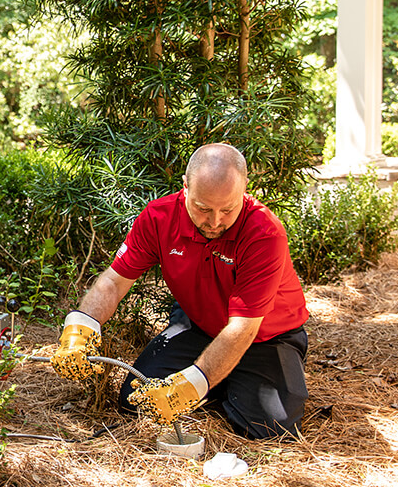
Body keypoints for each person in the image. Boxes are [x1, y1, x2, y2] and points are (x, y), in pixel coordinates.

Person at [51, 143, 310, 439]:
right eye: (203, 208)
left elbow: (242, 329)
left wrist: (192, 385)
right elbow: (113, 281)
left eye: (227, 210)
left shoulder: (264, 233)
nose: (215, 222)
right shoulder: (159, 217)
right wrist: (81, 326)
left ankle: (230, 379)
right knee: (136, 399)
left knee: (272, 430)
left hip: (265, 337)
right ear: (185, 187)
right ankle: (223, 380)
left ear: (244, 190)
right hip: (199, 326)